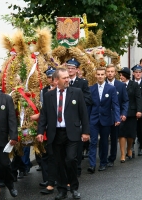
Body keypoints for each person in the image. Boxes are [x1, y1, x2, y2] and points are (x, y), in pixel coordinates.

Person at [37, 68, 90, 200]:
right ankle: (62, 190)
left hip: (71, 133)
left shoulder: (76, 93)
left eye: (68, 77)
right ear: (56, 80)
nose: (67, 79)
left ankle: (74, 187)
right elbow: (43, 115)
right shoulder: (49, 96)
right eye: (64, 78)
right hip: (55, 134)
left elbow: (83, 113)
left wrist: (85, 132)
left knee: (70, 159)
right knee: (59, 162)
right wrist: (40, 132)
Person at [87, 67, 120, 173]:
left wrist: (117, 118)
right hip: (94, 119)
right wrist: (86, 120)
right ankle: (92, 165)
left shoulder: (111, 89)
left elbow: (115, 104)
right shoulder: (91, 89)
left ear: (105, 75)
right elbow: (88, 106)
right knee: (93, 142)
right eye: (98, 74)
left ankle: (103, 162)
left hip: (106, 119)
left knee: (104, 141)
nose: (100, 76)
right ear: (95, 76)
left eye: (102, 74)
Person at [66, 58, 92, 177]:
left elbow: (88, 98)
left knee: (77, 146)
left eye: (72, 68)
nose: (70, 70)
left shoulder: (82, 83)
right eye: (68, 68)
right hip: (65, 119)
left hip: (77, 117)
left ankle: (77, 169)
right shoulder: (63, 82)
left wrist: (75, 102)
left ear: (77, 70)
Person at [105, 64, 129, 167]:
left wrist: (123, 113)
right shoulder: (101, 84)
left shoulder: (120, 85)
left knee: (114, 138)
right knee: (104, 138)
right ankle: (103, 158)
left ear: (115, 73)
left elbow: (125, 101)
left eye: (112, 71)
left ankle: (112, 158)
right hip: (104, 116)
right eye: (108, 71)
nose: (110, 73)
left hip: (116, 116)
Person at [117, 67, 142, 163]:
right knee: (121, 133)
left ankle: (129, 148)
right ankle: (123, 154)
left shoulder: (134, 85)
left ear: (127, 76)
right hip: (121, 112)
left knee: (131, 134)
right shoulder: (118, 85)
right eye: (120, 75)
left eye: (122, 75)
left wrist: (139, 110)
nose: (121, 77)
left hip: (132, 112)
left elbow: (138, 98)